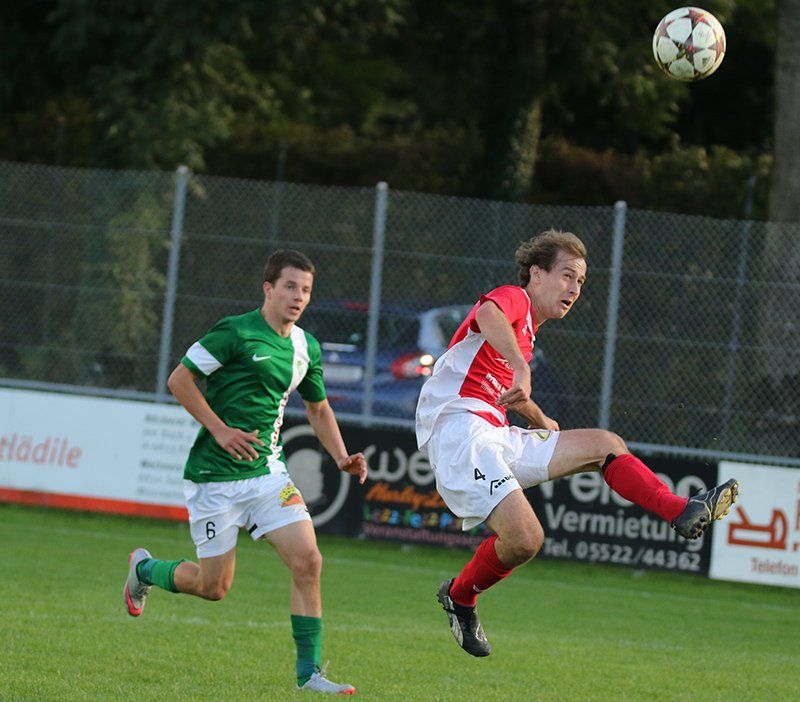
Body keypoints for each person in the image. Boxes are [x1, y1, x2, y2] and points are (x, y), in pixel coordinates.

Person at [415, 229, 739, 657]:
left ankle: (680, 509)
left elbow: (509, 392)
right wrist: (521, 367)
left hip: (492, 430)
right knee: (526, 539)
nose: (574, 288)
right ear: (536, 273)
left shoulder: (526, 333)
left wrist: (539, 419)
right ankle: (460, 596)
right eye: (567, 275)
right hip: (459, 430)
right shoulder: (513, 299)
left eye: (581, 281)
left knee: (605, 444)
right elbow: (488, 311)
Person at [123, 249, 367, 694]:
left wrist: (340, 456)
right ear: (268, 289)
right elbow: (179, 379)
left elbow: (318, 408)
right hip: (213, 478)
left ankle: (309, 674)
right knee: (213, 587)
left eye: (306, 290)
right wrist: (219, 430)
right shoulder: (234, 332)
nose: (298, 297)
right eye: (290, 286)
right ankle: (145, 570)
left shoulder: (306, 347)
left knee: (309, 560)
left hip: (267, 474)